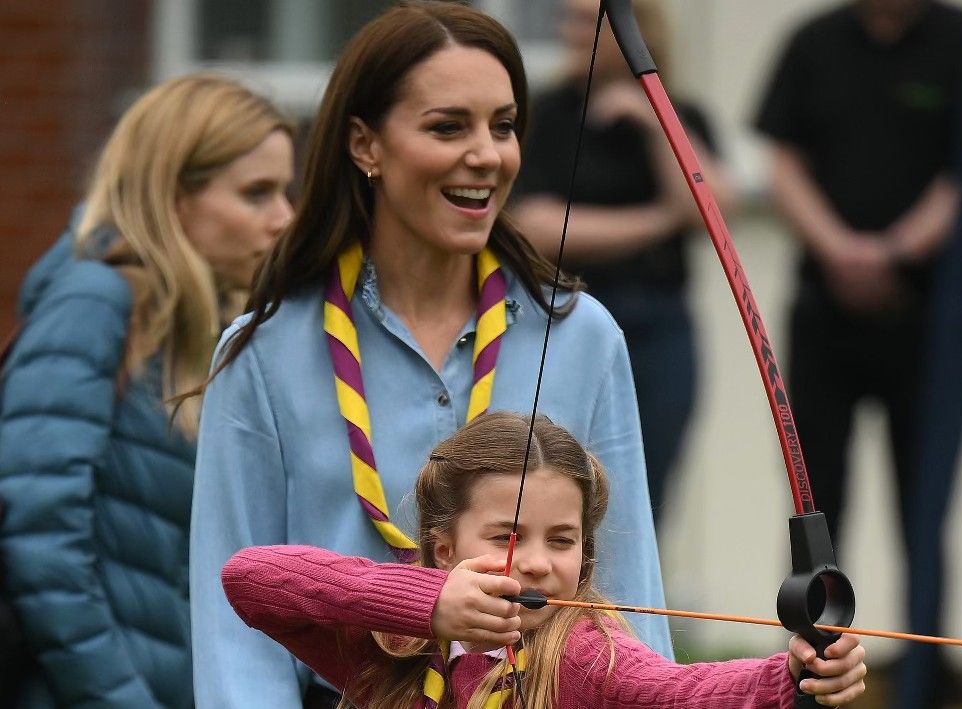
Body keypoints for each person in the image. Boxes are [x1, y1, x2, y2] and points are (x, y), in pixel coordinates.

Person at [189, 4, 671, 707]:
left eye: (503, 126)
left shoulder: (583, 335)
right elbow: (232, 628)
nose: (487, 155)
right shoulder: (262, 350)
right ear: (366, 145)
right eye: (448, 126)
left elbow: (629, 599)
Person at [222, 412, 868, 709]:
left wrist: (794, 674)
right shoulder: (394, 649)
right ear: (445, 548)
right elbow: (250, 580)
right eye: (508, 534)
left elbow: (682, 692)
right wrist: (428, 604)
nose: (535, 562)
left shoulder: (583, 653)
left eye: (561, 539)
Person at [0, 74, 294, 707]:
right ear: (173, 198)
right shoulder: (94, 303)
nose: (283, 219)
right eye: (256, 193)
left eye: (284, 191)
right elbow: (37, 536)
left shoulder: (197, 326)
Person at [753, 0, 962, 704]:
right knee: (818, 506)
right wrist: (839, 247)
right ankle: (810, 663)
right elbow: (783, 162)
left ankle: (928, 674)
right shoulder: (814, 42)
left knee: (925, 501)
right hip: (824, 314)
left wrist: (895, 249)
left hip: (926, 319)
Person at [512, 0, 738, 520]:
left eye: (583, 19)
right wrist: (661, 221)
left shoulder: (676, 110)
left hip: (659, 326)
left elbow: (716, 208)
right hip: (567, 317)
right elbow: (538, 227)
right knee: (556, 482)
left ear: (631, 28)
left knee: (649, 493)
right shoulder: (549, 112)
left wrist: (656, 124)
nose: (568, 31)